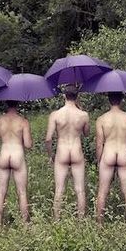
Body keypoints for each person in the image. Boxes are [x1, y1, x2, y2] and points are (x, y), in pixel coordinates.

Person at [46, 88, 90, 219]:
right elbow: (86, 134)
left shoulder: (55, 115)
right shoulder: (83, 115)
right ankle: (81, 222)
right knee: (80, 190)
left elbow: (48, 138)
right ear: (77, 97)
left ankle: (57, 221)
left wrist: (50, 155)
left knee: (59, 189)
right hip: (76, 151)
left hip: (62, 151)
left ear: (64, 96)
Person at [95, 92, 126, 222]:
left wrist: (99, 161)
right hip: (123, 154)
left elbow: (99, 144)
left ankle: (99, 224)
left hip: (108, 153)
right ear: (121, 100)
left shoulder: (101, 119)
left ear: (109, 100)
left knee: (102, 191)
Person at [0, 102, 33, 227]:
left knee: (1, 192)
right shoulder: (23, 121)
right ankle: (25, 226)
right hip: (17, 155)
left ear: (6, 103)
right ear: (18, 103)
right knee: (22, 192)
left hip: (4, 155)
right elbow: (28, 145)